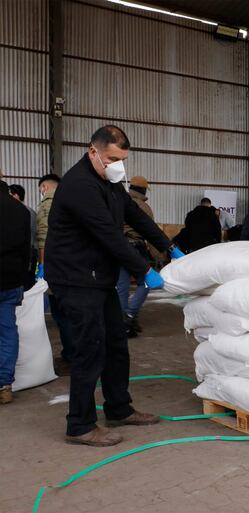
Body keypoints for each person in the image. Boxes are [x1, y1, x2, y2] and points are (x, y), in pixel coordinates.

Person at [45, 125, 183, 447]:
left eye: (122, 159)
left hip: (98, 278)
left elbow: (134, 214)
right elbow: (109, 234)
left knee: (116, 345)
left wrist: (168, 245)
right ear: (93, 151)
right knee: (90, 350)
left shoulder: (109, 181)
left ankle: (119, 408)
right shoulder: (80, 185)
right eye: (112, 158)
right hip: (75, 279)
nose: (117, 165)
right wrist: (145, 270)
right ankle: (79, 425)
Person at [37, 173, 74, 373]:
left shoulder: (47, 205)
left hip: (55, 268)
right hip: (74, 267)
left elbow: (43, 238)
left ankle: (71, 354)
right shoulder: (71, 202)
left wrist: (42, 267)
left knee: (61, 314)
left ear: (44, 188)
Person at [0, 176, 32, 404]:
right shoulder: (19, 209)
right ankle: (4, 385)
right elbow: (26, 247)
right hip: (11, 279)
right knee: (7, 331)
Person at [116, 176, 156, 337]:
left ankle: (123, 323)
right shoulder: (144, 207)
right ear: (144, 190)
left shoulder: (118, 202)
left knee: (122, 287)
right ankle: (130, 315)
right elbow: (151, 232)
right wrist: (156, 256)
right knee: (147, 282)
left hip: (119, 248)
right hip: (136, 248)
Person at [9, 184, 38, 290]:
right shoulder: (30, 211)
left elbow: (29, 236)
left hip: (28, 253)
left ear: (16, 195)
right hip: (29, 253)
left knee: (26, 285)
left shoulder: (24, 212)